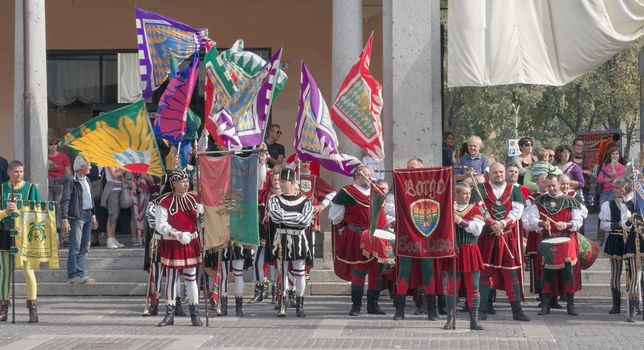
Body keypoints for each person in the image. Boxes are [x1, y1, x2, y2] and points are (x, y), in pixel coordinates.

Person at [471, 162, 529, 322]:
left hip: (507, 237)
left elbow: (517, 211)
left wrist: (502, 224)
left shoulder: (514, 190)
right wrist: (491, 223)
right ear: (489, 174)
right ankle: (482, 309)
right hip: (486, 237)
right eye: (496, 172)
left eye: (501, 172)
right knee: (484, 274)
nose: (499, 175)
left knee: (511, 274)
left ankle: (517, 311)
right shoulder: (480, 190)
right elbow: (478, 208)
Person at [329, 165, 388, 316]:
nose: (369, 178)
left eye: (370, 175)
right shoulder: (347, 192)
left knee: (376, 272)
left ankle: (373, 305)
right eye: (365, 175)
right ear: (357, 177)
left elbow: (383, 215)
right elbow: (335, 216)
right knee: (359, 271)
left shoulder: (377, 192)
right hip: (357, 237)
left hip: (377, 238)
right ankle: (356, 306)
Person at [524, 174, 583, 317]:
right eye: (548, 186)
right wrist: (541, 223)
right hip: (547, 241)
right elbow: (530, 221)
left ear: (559, 184)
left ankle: (570, 304)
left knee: (568, 273)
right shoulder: (539, 201)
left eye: (553, 186)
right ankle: (545, 305)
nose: (551, 188)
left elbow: (578, 221)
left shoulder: (571, 201)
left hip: (566, 241)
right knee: (546, 274)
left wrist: (566, 224)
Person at [155, 170, 203, 327]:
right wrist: (177, 234)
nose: (186, 183)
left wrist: (202, 218)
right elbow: (160, 225)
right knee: (171, 278)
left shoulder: (195, 199)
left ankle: (194, 314)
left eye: (187, 181)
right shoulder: (164, 201)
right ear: (173, 183)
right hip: (173, 243)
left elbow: (201, 221)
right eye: (182, 181)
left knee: (191, 278)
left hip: (191, 242)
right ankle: (169, 314)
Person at [268, 168, 314, 317]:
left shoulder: (305, 201)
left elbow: (305, 220)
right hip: (281, 239)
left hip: (298, 239)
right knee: (282, 272)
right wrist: (295, 217)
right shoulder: (274, 199)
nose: (280, 184)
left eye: (284, 181)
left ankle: (300, 304)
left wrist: (286, 217)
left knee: (300, 273)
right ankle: (283, 303)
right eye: (280, 181)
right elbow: (275, 217)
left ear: (293, 182)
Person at [0, 160, 43, 323]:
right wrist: (5, 211)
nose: (19, 175)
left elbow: (39, 211)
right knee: (4, 273)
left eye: (21, 172)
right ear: (9, 172)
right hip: (4, 233)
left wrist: (23, 210)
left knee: (28, 271)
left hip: (24, 234)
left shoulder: (31, 189)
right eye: (16, 172)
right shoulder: (2, 188)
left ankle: (33, 309)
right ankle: (3, 309)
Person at [443, 183, 485, 331]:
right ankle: (450, 318)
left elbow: (477, 230)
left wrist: (459, 221)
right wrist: (449, 215)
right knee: (451, 288)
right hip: (453, 251)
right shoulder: (447, 210)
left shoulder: (475, 209)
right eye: (464, 193)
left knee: (473, 287)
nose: (467, 196)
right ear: (456, 194)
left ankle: (474, 319)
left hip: (470, 250)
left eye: (469, 193)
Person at [599, 178, 638, 317]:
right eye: (615, 188)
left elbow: (631, 222)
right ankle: (616, 304)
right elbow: (603, 225)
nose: (617, 190)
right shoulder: (607, 204)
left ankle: (635, 304)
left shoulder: (632, 203)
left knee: (633, 274)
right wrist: (617, 225)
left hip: (631, 239)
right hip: (615, 238)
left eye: (620, 188)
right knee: (615, 272)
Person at [60, 156, 98, 285]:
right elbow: (65, 200)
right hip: (77, 216)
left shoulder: (87, 179)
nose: (91, 167)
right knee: (75, 246)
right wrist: (64, 218)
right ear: (82, 167)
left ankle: (81, 274)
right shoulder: (70, 180)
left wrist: (93, 216)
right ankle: (72, 275)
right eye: (89, 165)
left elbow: (90, 199)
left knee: (85, 246)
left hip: (88, 213)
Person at [47, 136, 71, 245]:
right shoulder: (44, 156)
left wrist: (64, 183)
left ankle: (65, 237)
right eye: (50, 144)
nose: (52, 146)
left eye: (54, 144)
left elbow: (68, 173)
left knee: (61, 210)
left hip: (60, 184)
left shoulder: (63, 156)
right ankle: (51, 237)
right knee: (50, 211)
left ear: (57, 145)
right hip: (47, 185)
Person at [100, 167, 125, 249]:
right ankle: (109, 239)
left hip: (119, 188)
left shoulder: (118, 161)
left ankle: (113, 238)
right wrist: (124, 170)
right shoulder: (109, 160)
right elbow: (114, 174)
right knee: (112, 215)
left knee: (116, 215)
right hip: (112, 189)